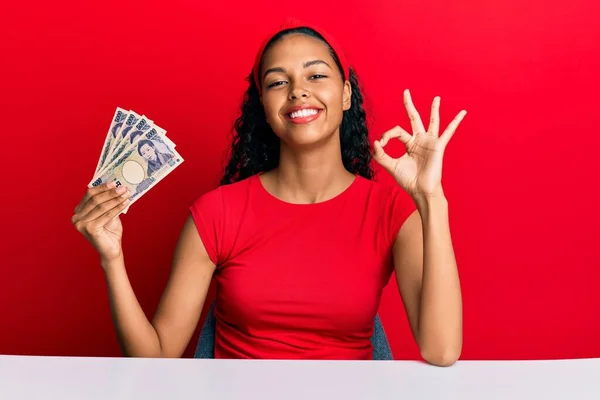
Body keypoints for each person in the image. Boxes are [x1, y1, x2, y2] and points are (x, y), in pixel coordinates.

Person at [72, 18, 464, 366]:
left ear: (345, 95)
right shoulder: (215, 214)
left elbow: (441, 351)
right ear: (263, 103)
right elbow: (156, 356)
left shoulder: (391, 210)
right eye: (278, 82)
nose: (297, 92)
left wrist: (432, 198)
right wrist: (112, 259)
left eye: (315, 76)